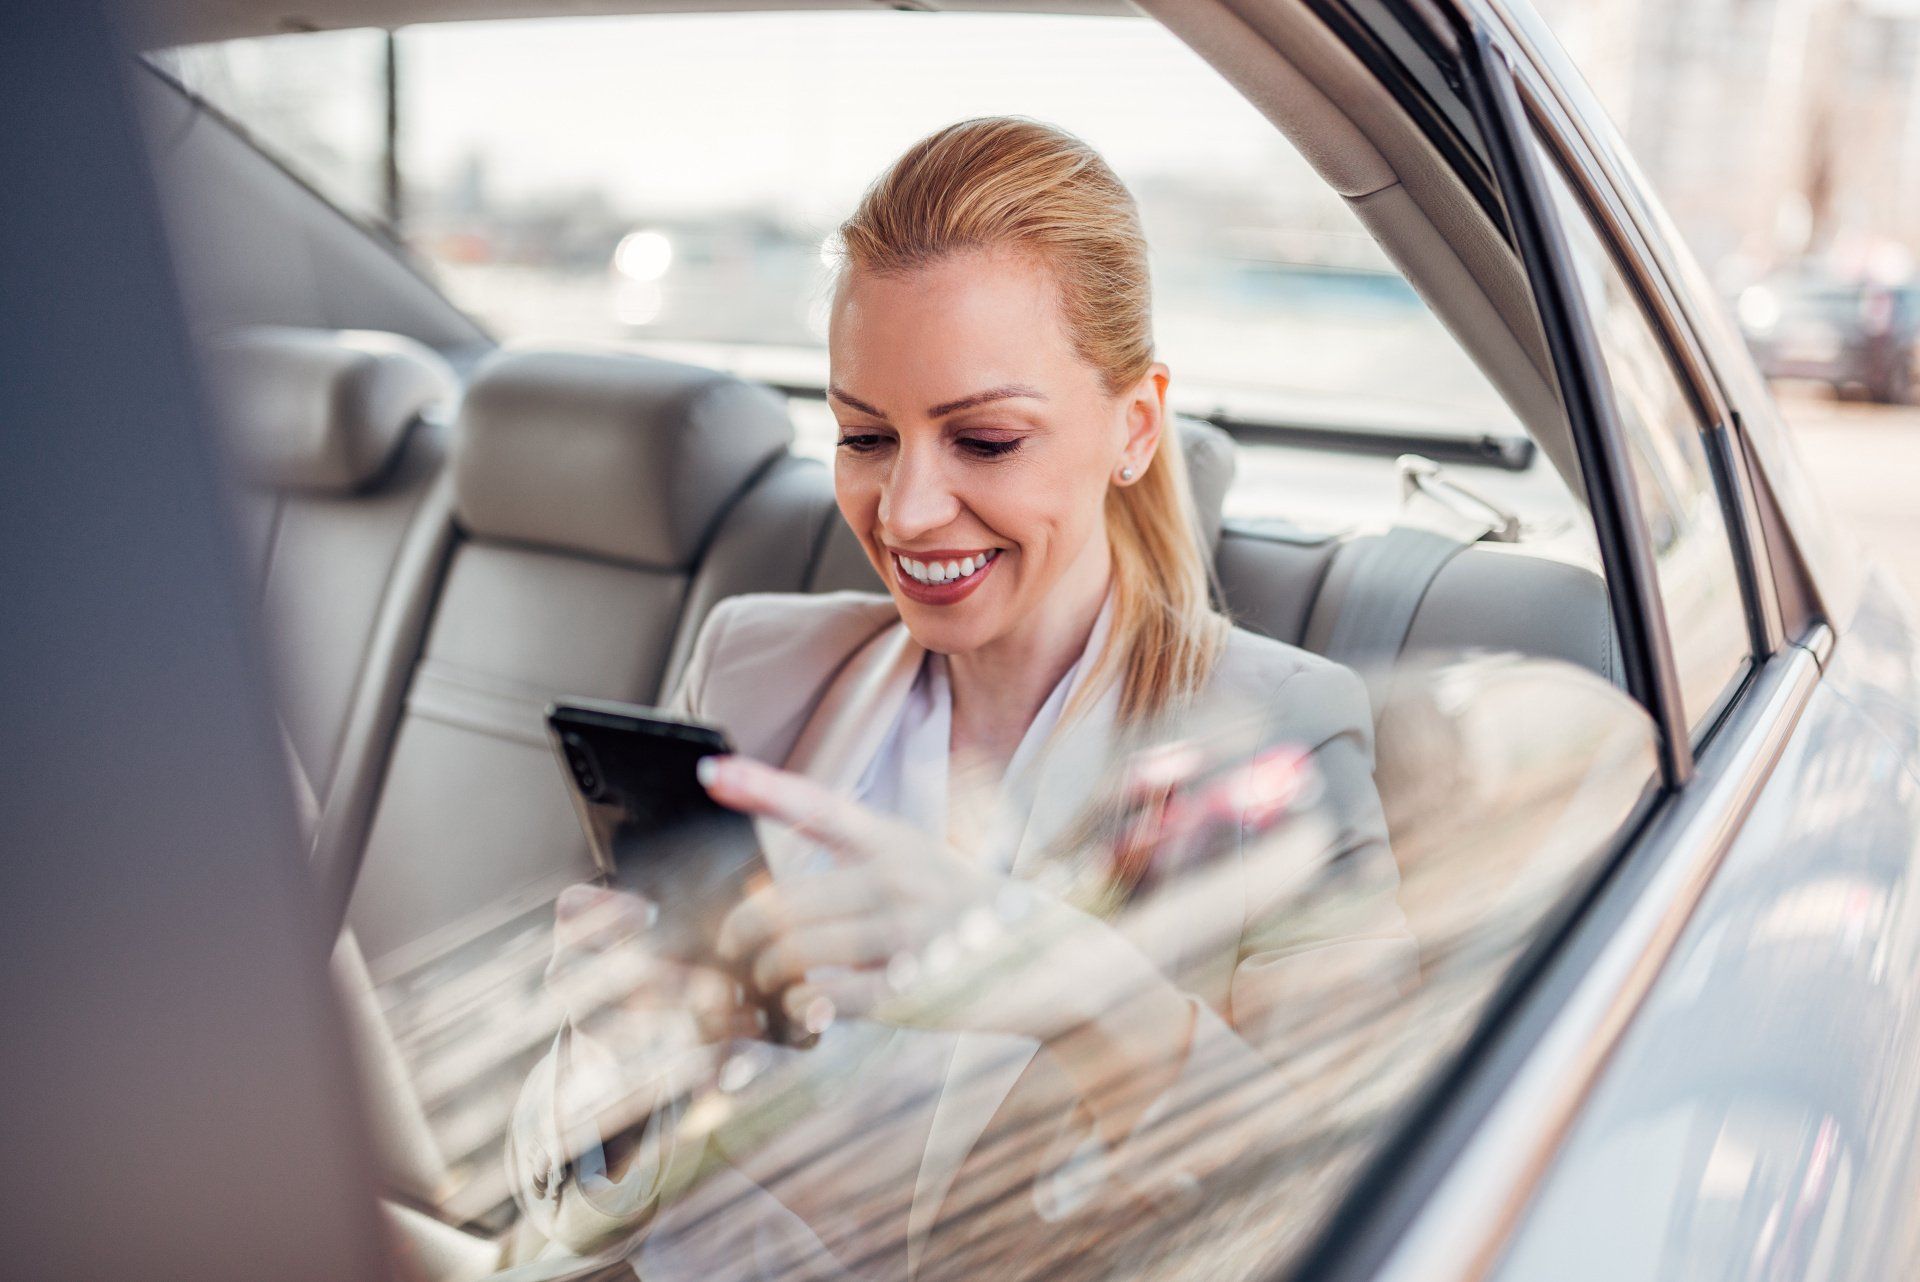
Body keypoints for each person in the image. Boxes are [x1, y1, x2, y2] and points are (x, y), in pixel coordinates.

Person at [504, 115, 1413, 1280]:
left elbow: (1356, 1204)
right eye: (864, 436)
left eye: (984, 440)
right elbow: (568, 1204)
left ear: (1134, 427)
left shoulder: (1285, 732)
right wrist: (619, 1062)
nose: (907, 511)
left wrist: (1081, 990)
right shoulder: (755, 671)